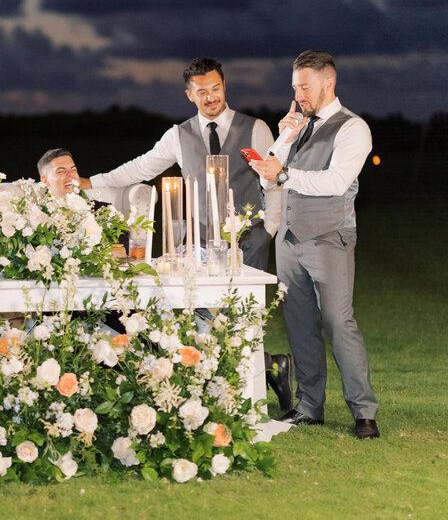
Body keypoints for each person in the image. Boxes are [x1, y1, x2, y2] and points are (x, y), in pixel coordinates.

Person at [77, 58, 293, 410]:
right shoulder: (178, 135)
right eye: (202, 92)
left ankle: (244, 400)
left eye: (216, 89)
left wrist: (268, 229)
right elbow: (141, 166)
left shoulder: (256, 129)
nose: (211, 97)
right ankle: (269, 370)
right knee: (202, 321)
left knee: (240, 321)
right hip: (198, 243)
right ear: (190, 95)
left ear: (224, 86)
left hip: (247, 239)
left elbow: (272, 182)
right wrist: (93, 182)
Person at [249, 50, 379, 439]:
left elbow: (336, 182)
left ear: (328, 82)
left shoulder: (353, 128)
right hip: (289, 240)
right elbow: (268, 179)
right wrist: (283, 139)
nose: (298, 95)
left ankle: (363, 412)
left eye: (305, 87)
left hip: (329, 237)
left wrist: (283, 173)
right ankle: (309, 407)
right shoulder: (297, 125)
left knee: (339, 322)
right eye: (294, 87)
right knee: (300, 325)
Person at [37, 147, 129, 253]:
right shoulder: (36, 218)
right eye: (61, 171)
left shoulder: (105, 211)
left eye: (74, 170)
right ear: (45, 181)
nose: (71, 174)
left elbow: (124, 253)